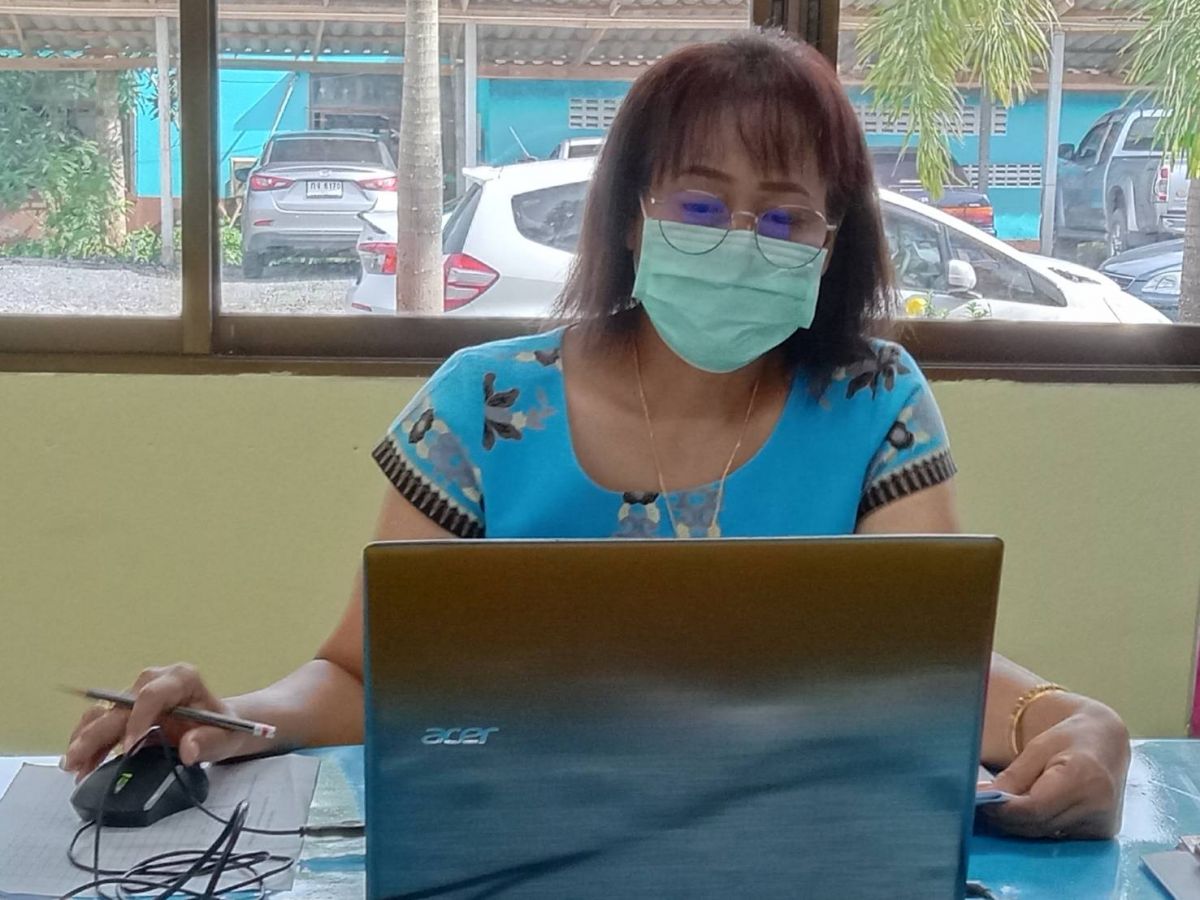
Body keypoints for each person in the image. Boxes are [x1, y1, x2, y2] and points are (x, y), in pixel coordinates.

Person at [63, 31, 1129, 841]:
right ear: (632, 214)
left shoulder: (875, 400)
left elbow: (922, 673)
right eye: (701, 206)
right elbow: (364, 675)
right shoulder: (483, 402)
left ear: (830, 239)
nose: (743, 240)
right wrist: (230, 719)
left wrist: (1065, 717)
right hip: (513, 847)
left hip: (790, 846)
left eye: (784, 216)